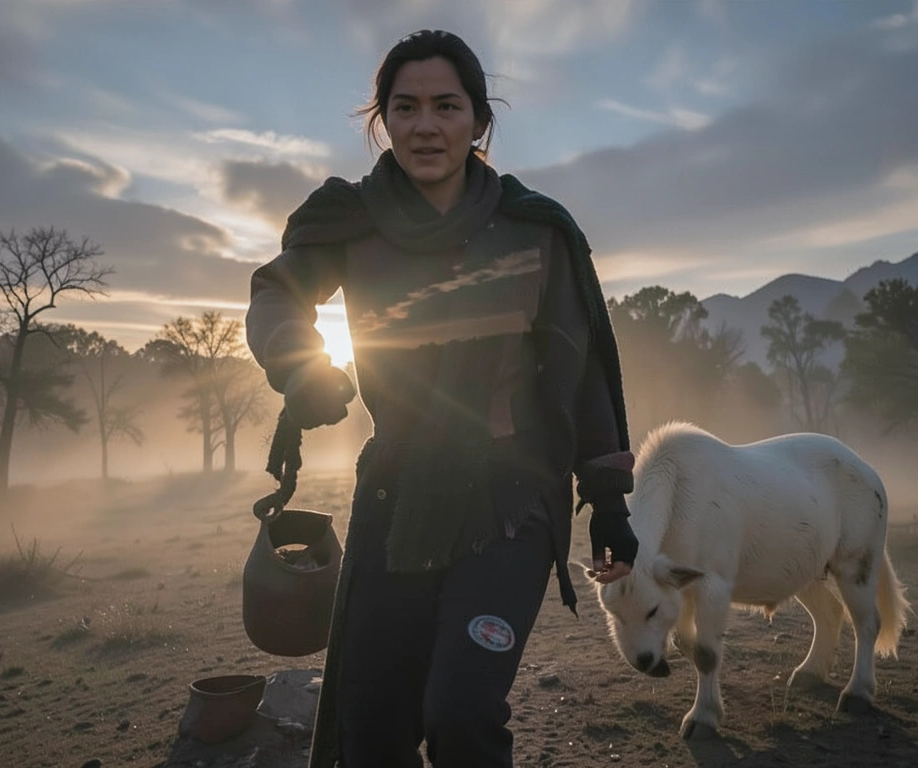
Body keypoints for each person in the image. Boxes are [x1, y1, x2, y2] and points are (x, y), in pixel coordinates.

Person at [245, 29, 639, 768]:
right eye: (406, 107)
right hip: (398, 492)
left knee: (461, 717)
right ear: (383, 122)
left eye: (447, 106)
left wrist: (609, 499)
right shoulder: (351, 222)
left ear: (479, 121)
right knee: (373, 729)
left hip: (512, 500)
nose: (426, 125)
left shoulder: (536, 230)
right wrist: (302, 369)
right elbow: (276, 295)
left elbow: (582, 370)